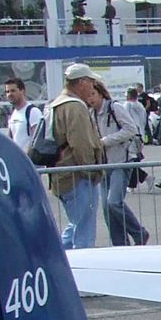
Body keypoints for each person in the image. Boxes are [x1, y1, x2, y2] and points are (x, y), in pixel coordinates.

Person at [47, 63, 105, 249]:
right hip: (78, 176)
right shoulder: (74, 107)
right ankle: (78, 265)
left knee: (76, 223)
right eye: (90, 82)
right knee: (84, 230)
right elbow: (82, 144)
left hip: (62, 173)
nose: (92, 86)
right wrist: (91, 170)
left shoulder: (56, 104)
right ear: (81, 82)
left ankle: (59, 257)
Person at [93, 80, 150, 246]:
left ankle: (139, 232)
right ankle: (120, 244)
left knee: (114, 202)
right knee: (107, 209)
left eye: (93, 95)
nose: (90, 99)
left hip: (121, 160)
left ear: (101, 93)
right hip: (103, 164)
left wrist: (106, 141)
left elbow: (131, 129)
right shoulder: (90, 113)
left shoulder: (115, 108)